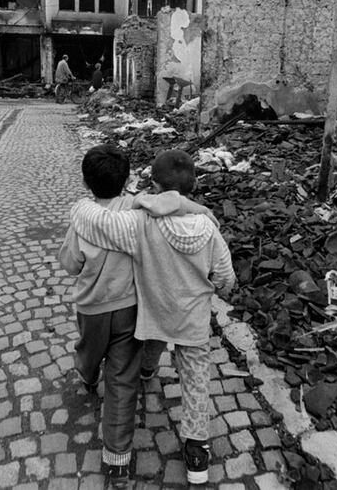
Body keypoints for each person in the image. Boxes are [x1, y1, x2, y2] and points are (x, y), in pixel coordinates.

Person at [69, 149, 236, 485]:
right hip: (192, 319)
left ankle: (145, 372)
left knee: (149, 344)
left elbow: (100, 223)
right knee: (196, 379)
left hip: (155, 311)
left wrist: (79, 205)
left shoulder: (143, 223)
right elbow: (224, 276)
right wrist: (221, 289)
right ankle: (197, 450)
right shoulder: (208, 227)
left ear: (156, 187)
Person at [59, 145, 193, 489]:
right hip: (131, 308)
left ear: (86, 182)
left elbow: (71, 264)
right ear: (127, 180)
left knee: (88, 353)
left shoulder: (83, 219)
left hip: (92, 307)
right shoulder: (139, 215)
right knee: (121, 379)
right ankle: (117, 461)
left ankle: (87, 377)